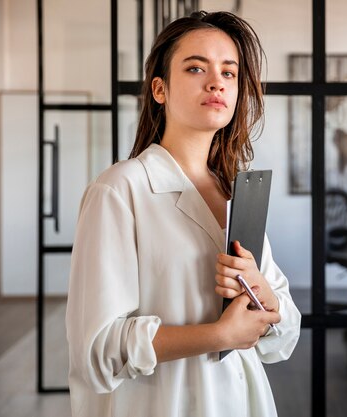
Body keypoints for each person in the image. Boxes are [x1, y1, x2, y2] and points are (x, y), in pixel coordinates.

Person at [65, 11, 301, 417]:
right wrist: (217, 335)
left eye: (229, 73)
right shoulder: (120, 189)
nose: (216, 82)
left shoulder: (234, 190)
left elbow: (284, 335)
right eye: (196, 68)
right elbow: (98, 351)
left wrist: (262, 292)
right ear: (160, 89)